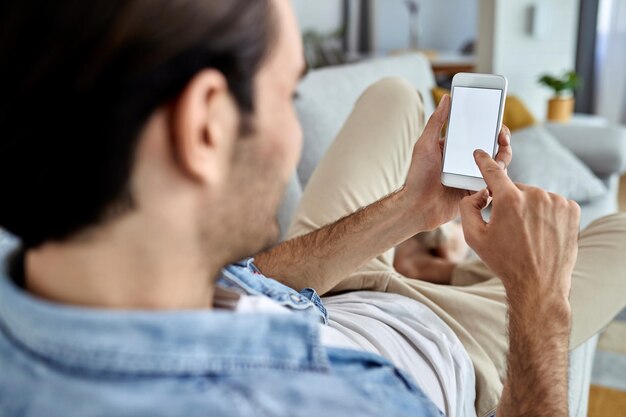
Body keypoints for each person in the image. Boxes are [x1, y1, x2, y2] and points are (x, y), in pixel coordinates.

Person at [1, 1, 625, 417]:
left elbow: (252, 281)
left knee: (394, 96)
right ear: (206, 126)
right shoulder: (341, 402)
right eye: (287, 93)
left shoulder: (74, 272)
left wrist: (412, 207)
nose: (294, 136)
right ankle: (469, 269)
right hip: (456, 343)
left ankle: (445, 254)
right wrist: (538, 301)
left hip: (338, 290)